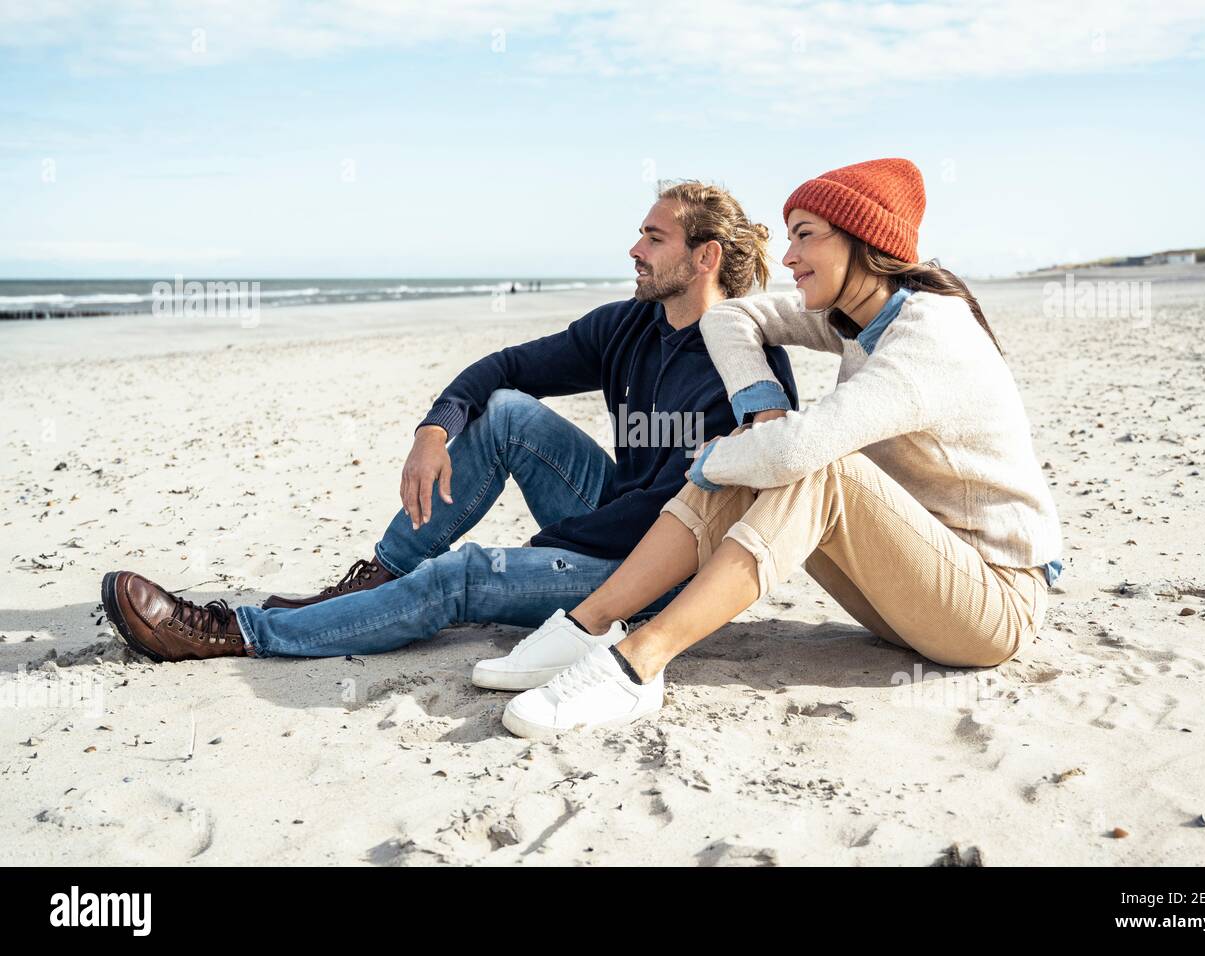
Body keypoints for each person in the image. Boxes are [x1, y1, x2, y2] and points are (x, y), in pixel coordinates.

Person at [100, 181, 798, 673]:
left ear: (704, 258)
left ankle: (233, 633)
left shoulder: (749, 363)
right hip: (616, 520)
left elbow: (718, 508)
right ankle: (385, 574)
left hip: (657, 578)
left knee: (463, 577)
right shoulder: (629, 325)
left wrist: (556, 545)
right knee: (509, 416)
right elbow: (504, 366)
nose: (634, 249)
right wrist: (432, 433)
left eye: (654, 236)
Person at [492, 158, 1065, 739]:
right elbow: (732, 316)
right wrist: (759, 407)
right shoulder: (857, 317)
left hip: (988, 607)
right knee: (765, 449)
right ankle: (588, 626)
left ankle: (637, 665)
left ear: (864, 243)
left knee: (814, 465)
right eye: (789, 236)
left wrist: (721, 454)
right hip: (903, 593)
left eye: (807, 236)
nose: (788, 257)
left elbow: (797, 453)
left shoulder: (929, 335)